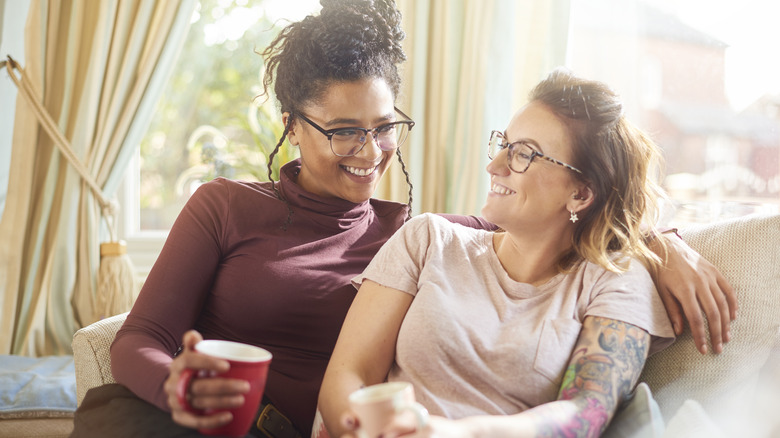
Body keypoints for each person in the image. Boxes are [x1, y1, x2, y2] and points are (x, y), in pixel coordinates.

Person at [71, 1, 734, 437]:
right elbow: (139, 338)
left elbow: (547, 212)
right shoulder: (224, 205)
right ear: (292, 128)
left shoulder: (410, 234)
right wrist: (176, 388)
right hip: (186, 420)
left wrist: (660, 240)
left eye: (384, 127)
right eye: (343, 131)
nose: (371, 153)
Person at [318, 68, 689, 438]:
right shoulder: (427, 240)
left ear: (580, 193)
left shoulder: (615, 281)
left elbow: (584, 414)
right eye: (503, 145)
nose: (493, 167)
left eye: (524, 154)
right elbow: (350, 373)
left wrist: (457, 434)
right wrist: (358, 428)